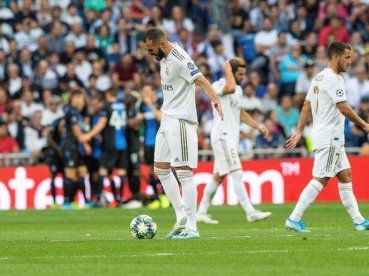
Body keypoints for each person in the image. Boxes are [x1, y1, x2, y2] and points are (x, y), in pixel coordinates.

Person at [285, 42, 369, 232]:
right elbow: (343, 107)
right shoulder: (334, 79)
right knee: (321, 178)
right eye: (346, 57)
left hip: (328, 136)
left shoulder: (318, 77)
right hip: (330, 137)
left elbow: (306, 106)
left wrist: (298, 131)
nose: (350, 61)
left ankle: (359, 221)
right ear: (335, 57)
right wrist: (365, 124)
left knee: (345, 175)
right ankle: (293, 218)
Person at [142, 27, 223, 239]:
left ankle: (193, 227)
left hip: (181, 121)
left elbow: (202, 80)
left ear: (161, 44)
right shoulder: (163, 57)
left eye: (151, 49)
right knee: (160, 169)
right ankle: (181, 218)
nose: (149, 53)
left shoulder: (180, 58)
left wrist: (216, 101)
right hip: (167, 117)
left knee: (184, 173)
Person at [197, 58, 271, 224]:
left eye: (244, 74)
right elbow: (229, 88)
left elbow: (240, 112)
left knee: (219, 175)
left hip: (229, 137)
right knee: (237, 171)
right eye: (240, 74)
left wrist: (257, 125)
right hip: (222, 135)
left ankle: (201, 211)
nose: (243, 77)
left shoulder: (239, 89)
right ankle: (250, 211)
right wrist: (228, 69)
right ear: (230, 71)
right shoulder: (217, 85)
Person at [82, 89, 129, 208]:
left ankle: (98, 199)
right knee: (121, 171)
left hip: (110, 142)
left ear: (107, 96)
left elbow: (102, 122)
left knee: (102, 171)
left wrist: (89, 135)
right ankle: (119, 199)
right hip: (123, 143)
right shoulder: (122, 105)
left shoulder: (107, 106)